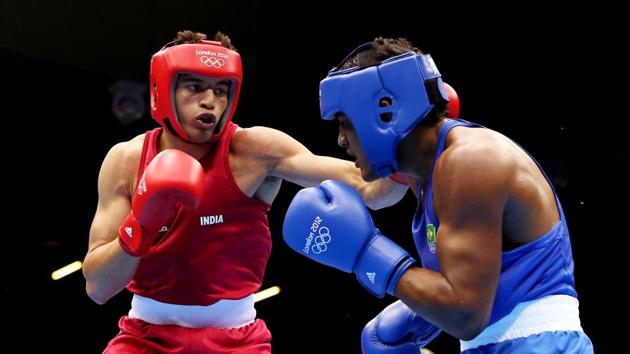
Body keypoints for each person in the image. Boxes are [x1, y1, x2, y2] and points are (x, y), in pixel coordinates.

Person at [82, 30, 405, 354]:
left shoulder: (255, 150)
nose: (211, 100)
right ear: (163, 89)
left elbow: (372, 191)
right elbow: (98, 286)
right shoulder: (126, 160)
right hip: (144, 338)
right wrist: (141, 225)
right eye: (195, 87)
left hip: (238, 342)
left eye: (222, 90)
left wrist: (405, 142)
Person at [282, 37, 593, 353]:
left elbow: (465, 315)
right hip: (495, 346)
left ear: (384, 108)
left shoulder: (469, 161)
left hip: (541, 345)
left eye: (345, 124)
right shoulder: (427, 178)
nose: (341, 141)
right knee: (381, 340)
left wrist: (367, 252)